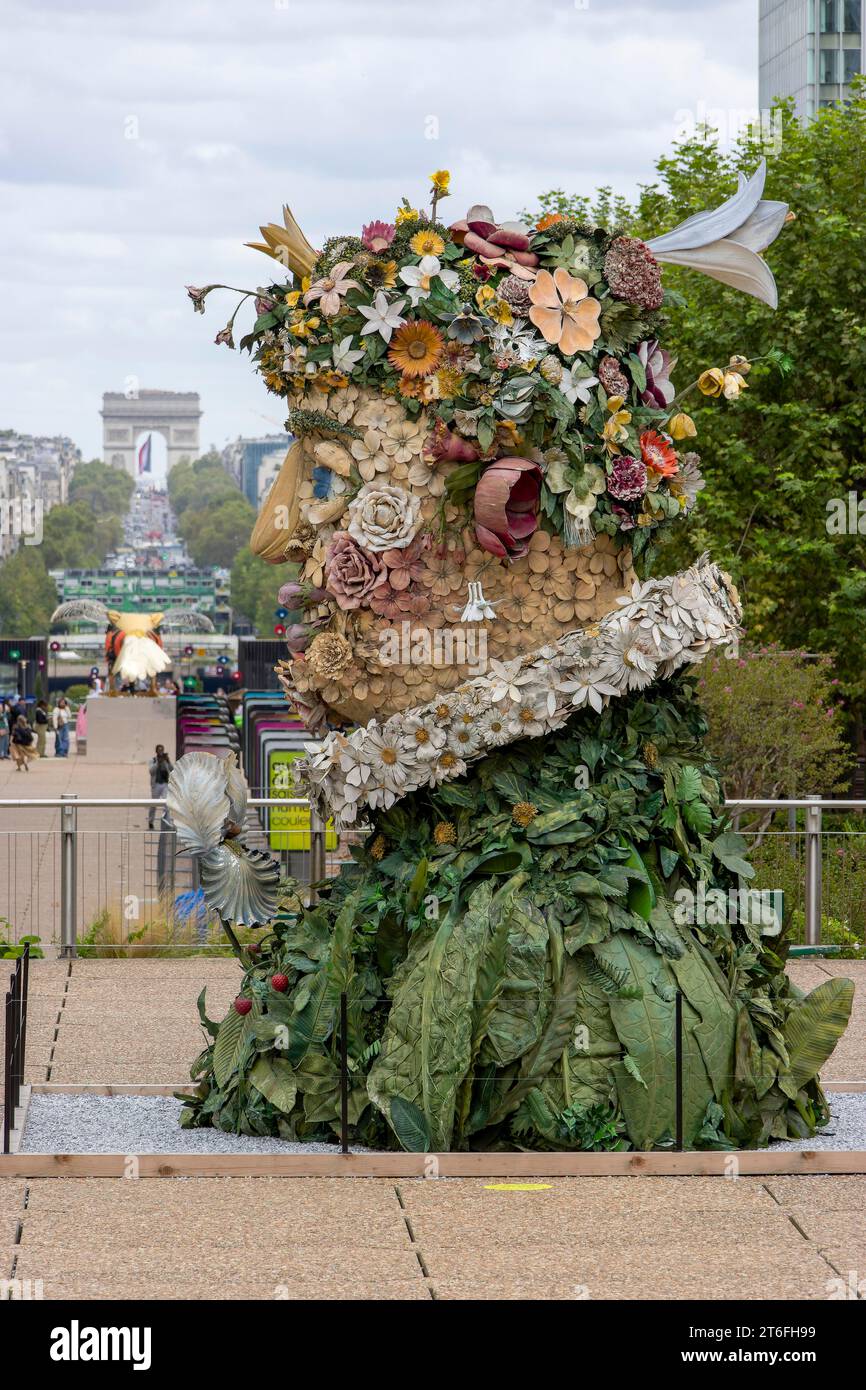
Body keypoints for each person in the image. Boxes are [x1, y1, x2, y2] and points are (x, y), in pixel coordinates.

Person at [148, 744, 173, 829]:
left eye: (162, 750)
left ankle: (167, 821)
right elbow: (151, 771)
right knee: (153, 804)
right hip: (156, 785)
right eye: (159, 750)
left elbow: (171, 769)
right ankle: (151, 821)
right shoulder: (153, 760)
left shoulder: (165, 760)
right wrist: (158, 762)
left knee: (166, 804)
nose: (161, 752)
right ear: (156, 751)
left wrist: (168, 761)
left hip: (165, 784)